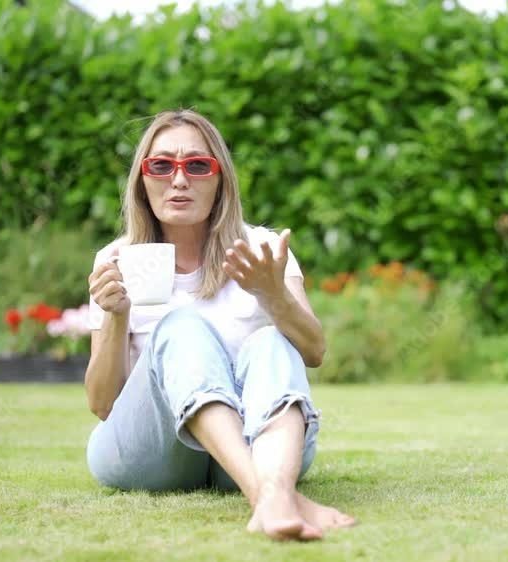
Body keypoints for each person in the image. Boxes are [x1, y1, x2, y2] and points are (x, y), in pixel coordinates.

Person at [83, 109, 356, 541]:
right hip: (149, 457)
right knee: (181, 326)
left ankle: (270, 489)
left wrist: (274, 295)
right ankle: (270, 498)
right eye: (161, 165)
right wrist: (117, 315)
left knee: (271, 339)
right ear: (142, 178)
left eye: (196, 165)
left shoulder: (263, 249)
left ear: (220, 178)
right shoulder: (115, 261)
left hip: (252, 448)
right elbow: (102, 405)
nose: (178, 180)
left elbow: (314, 352)